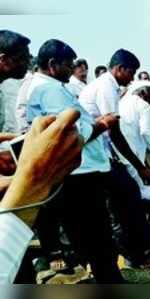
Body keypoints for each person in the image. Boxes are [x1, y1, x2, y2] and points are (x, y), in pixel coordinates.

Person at [27, 39, 124, 283]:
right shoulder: (50, 90)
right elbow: (72, 134)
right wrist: (102, 124)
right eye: (69, 65)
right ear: (52, 65)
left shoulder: (46, 87)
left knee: (85, 234)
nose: (72, 70)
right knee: (98, 236)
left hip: (74, 173)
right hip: (80, 174)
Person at [0, 30, 83, 284]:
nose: (29, 62)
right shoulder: (36, 86)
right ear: (3, 59)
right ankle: (48, 255)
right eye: (23, 57)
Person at [79, 49, 150, 266]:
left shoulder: (107, 85)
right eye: (131, 72)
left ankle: (135, 248)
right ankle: (135, 254)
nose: (132, 78)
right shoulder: (106, 87)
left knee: (126, 198)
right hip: (93, 158)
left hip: (100, 155)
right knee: (129, 198)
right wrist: (140, 166)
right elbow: (114, 132)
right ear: (120, 69)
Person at [119, 81, 150, 200]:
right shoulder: (143, 104)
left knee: (132, 185)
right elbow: (146, 132)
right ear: (142, 93)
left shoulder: (121, 102)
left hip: (121, 149)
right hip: (135, 150)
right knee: (139, 187)